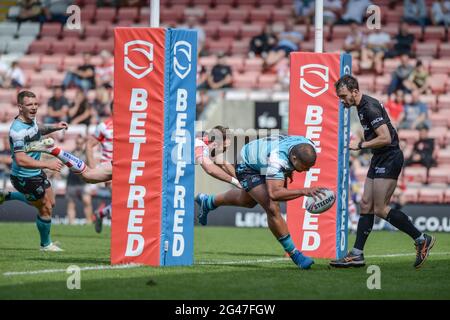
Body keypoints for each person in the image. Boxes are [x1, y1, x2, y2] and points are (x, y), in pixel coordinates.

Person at [331, 75, 435, 269]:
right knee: (365, 204)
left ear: (354, 91)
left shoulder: (369, 107)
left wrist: (361, 145)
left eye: (344, 96)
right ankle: (357, 254)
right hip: (379, 156)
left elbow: (386, 138)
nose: (342, 100)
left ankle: (422, 239)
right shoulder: (360, 106)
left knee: (380, 208)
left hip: (390, 157)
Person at [195, 134, 327, 270]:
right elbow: (275, 193)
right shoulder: (277, 160)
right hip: (248, 165)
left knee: (247, 201)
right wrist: (304, 191)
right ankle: (295, 254)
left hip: (263, 156)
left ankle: (208, 202)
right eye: (305, 166)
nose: (307, 170)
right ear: (294, 158)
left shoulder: (308, 145)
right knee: (271, 206)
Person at [3, 90, 66, 251]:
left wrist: (55, 127)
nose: (34, 108)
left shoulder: (31, 120)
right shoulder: (17, 131)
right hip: (24, 177)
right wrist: (48, 164)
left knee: (51, 203)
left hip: (36, 173)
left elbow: (38, 130)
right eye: (29, 105)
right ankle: (45, 245)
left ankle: (8, 195)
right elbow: (21, 159)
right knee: (44, 207)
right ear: (20, 107)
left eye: (35, 104)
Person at [86, 115, 113, 233]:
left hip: (128, 167)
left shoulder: (131, 125)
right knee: (118, 200)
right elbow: (89, 145)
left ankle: (101, 213)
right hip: (109, 168)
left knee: (122, 203)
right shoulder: (104, 126)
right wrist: (93, 169)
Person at [65, 135, 93, 225]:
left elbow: (90, 165)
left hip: (83, 182)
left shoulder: (86, 154)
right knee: (71, 203)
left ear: (83, 144)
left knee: (87, 201)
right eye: (78, 143)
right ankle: (71, 223)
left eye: (81, 143)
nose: (79, 145)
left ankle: (89, 221)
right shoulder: (71, 154)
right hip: (71, 182)